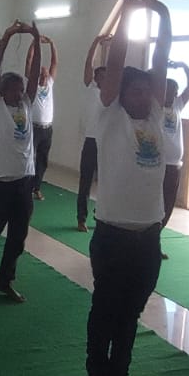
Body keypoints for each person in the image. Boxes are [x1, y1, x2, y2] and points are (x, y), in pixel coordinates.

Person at [86, 0, 171, 376]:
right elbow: (117, 61)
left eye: (146, 90)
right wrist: (130, 15)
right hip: (113, 237)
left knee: (130, 316)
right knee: (106, 312)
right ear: (120, 94)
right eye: (134, 90)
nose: (142, 95)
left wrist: (164, 15)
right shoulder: (110, 116)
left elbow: (162, 60)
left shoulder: (154, 117)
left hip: (148, 239)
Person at [0, 20, 42, 306]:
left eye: (20, 88)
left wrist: (36, 39)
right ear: (2, 91)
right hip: (0, 184)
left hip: (23, 183)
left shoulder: (26, 105)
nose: (19, 92)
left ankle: (5, 282)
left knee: (17, 239)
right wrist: (8, 36)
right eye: (13, 89)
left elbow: (35, 75)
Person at [159, 63, 189, 258]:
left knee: (168, 205)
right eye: (170, 91)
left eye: (175, 92)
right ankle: (148, 242)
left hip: (174, 165)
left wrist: (183, 66)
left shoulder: (177, 105)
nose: (173, 95)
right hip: (157, 165)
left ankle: (155, 240)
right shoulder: (155, 107)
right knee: (155, 205)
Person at [76, 32, 112, 231]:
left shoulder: (111, 95)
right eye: (102, 76)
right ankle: (81, 218)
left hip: (106, 143)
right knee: (86, 181)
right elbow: (88, 63)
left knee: (106, 182)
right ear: (95, 78)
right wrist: (97, 41)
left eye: (107, 77)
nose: (105, 79)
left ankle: (102, 215)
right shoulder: (90, 87)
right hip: (91, 142)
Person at [29, 36, 58, 200]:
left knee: (42, 160)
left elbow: (54, 63)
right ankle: (25, 186)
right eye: (41, 74)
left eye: (46, 74)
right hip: (33, 128)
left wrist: (52, 44)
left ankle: (36, 188)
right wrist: (34, 43)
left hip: (47, 129)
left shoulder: (50, 84)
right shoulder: (32, 85)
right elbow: (29, 61)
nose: (44, 77)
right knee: (29, 158)